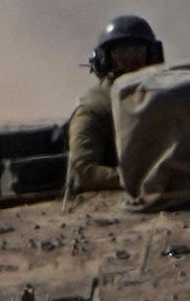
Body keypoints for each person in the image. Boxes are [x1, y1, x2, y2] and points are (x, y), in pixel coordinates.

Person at [66, 14, 168, 197]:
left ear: (152, 55)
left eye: (137, 51)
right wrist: (139, 179)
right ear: (105, 60)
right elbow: (83, 172)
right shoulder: (94, 109)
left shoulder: (162, 97)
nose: (130, 60)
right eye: (120, 53)